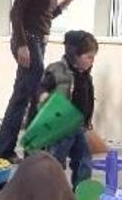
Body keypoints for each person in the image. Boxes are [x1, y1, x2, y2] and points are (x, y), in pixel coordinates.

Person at [0, 0, 76, 164]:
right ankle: (5, 151)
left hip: (38, 41)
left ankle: (27, 150)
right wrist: (22, 45)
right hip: (28, 41)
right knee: (25, 96)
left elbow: (45, 16)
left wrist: (65, 3)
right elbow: (16, 12)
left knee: (30, 96)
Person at [40, 30, 98, 188]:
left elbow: (88, 100)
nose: (92, 61)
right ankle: (48, 191)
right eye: (89, 57)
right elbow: (42, 88)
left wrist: (88, 123)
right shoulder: (58, 71)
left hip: (79, 127)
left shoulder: (86, 75)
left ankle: (81, 191)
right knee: (55, 161)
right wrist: (43, 96)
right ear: (75, 55)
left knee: (84, 159)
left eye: (93, 57)